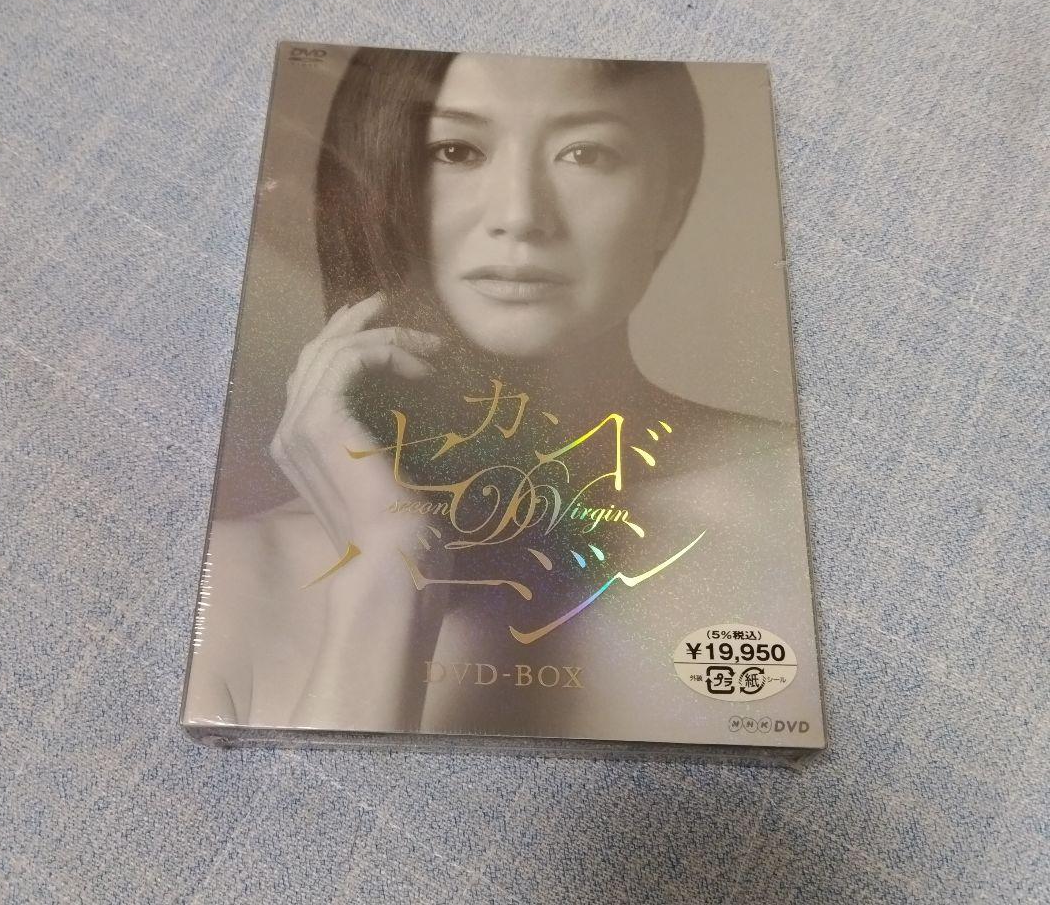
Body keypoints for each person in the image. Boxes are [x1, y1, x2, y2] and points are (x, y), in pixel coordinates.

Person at [185, 49, 803, 741]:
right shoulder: (236, 578)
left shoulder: (787, 504)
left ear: (672, 201)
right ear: (372, 182)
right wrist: (389, 559)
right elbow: (322, 812)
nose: (521, 216)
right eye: (456, 151)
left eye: (586, 154)